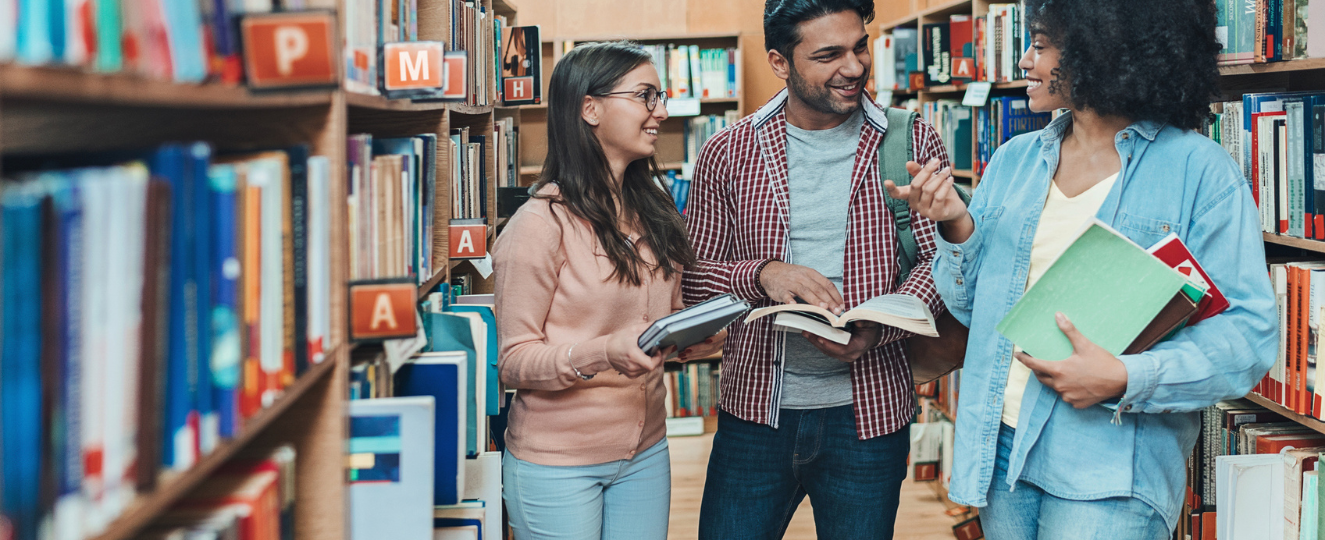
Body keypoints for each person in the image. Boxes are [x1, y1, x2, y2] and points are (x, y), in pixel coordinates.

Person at [884, 0, 1278, 537]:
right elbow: (971, 308)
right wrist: (956, 224)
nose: (1024, 60)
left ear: (1104, 51)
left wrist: (1124, 377)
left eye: (1042, 46)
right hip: (1001, 451)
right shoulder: (1013, 161)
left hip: (1109, 467)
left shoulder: (1199, 172)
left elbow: (1248, 337)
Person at [681, 0, 952, 537]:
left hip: (870, 417)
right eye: (828, 55)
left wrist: (882, 325)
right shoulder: (727, 152)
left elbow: (942, 260)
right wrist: (762, 275)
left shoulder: (911, 140)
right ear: (781, 63)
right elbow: (693, 280)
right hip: (755, 414)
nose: (853, 67)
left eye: (859, 47)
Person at [492, 41, 725, 540]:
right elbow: (513, 361)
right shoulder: (539, 224)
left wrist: (693, 338)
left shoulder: (655, 212)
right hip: (558, 465)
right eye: (645, 96)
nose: (660, 110)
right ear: (590, 108)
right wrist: (604, 352)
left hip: (645, 452)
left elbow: (660, 317)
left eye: (659, 96)